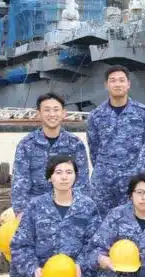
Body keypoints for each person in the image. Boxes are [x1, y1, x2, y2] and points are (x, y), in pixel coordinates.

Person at [4, 154, 102, 277]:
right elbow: (20, 245)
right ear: (50, 177)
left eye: (69, 172)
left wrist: (81, 264)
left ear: (75, 176)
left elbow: (95, 244)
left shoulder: (87, 206)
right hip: (45, 275)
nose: (64, 177)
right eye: (58, 172)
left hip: (75, 275)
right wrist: (33, 269)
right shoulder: (36, 206)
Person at [10, 92, 90, 221]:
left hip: (68, 210)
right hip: (35, 211)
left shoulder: (75, 144)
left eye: (56, 110)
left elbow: (82, 182)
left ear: (64, 113)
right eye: (47, 110)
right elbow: (20, 182)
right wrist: (21, 213)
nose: (52, 114)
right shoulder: (27, 144)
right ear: (38, 114)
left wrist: (77, 211)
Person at [87, 66, 145, 213]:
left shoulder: (143, 113)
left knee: (133, 219)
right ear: (106, 85)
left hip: (133, 180)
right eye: (113, 81)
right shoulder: (96, 115)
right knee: (101, 219)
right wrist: (106, 168)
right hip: (104, 182)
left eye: (121, 80)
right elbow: (94, 148)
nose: (117, 84)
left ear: (128, 84)